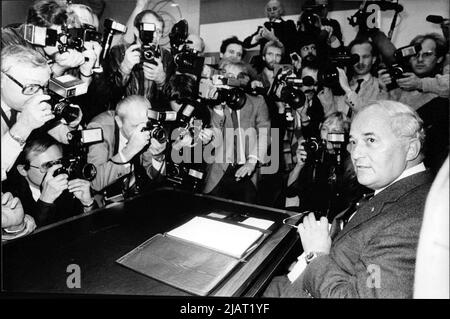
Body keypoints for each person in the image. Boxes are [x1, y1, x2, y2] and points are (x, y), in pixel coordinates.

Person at [263, 100, 434, 298]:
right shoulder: (395, 189)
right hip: (298, 281)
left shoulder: (409, 223)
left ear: (411, 149)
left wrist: (315, 255)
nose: (356, 154)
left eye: (370, 140)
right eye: (353, 142)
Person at [1, 45, 82, 182]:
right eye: (31, 87)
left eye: (44, 87)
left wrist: (72, 125)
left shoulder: (23, 100)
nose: (40, 96)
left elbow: (62, 135)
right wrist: (23, 126)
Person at [202, 60, 270, 204]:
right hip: (218, 170)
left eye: (232, 76)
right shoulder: (211, 100)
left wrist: (252, 162)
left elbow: (265, 133)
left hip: (247, 169)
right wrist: (218, 108)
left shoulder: (257, 102)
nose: (226, 79)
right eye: (224, 74)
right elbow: (214, 136)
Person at [285, 112, 368, 219]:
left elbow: (349, 206)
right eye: (324, 129)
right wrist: (299, 165)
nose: (328, 134)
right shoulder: (314, 155)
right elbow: (291, 191)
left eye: (335, 131)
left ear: (345, 135)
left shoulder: (350, 162)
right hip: (308, 218)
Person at [3, 134, 97, 227]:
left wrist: (87, 204)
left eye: (59, 162)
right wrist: (45, 201)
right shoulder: (10, 199)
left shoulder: (68, 185)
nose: (56, 170)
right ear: (23, 170)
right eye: (47, 165)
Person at [1, 0, 101, 82]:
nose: (65, 41)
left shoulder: (69, 49)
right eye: (60, 34)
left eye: (69, 33)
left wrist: (85, 74)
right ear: (36, 32)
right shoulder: (7, 42)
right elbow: (24, 93)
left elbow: (75, 101)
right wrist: (58, 69)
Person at [87, 95, 167, 192]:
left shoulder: (147, 128)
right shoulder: (99, 128)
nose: (141, 130)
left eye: (146, 125)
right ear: (119, 121)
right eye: (136, 126)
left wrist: (157, 155)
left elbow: (156, 178)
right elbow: (95, 182)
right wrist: (128, 151)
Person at [104, 9, 175, 111]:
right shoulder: (119, 52)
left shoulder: (166, 57)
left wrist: (162, 82)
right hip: (125, 116)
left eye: (159, 31)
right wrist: (124, 70)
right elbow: (107, 96)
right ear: (137, 31)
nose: (154, 36)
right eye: (150, 30)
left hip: (153, 116)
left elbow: (172, 101)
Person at [243, 0, 297, 64]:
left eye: (274, 9)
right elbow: (245, 44)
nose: (272, 11)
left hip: (283, 63)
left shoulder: (288, 24)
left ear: (280, 10)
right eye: (269, 9)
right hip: (265, 66)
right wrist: (257, 37)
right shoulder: (265, 27)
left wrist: (274, 39)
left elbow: (293, 46)